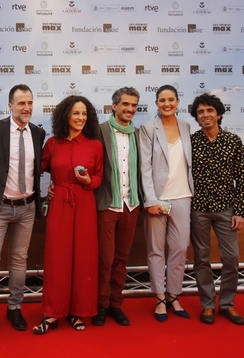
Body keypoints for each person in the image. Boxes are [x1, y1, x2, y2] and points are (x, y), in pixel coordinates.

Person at [0, 84, 46, 335]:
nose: (26, 107)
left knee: (19, 261)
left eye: (29, 102)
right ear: (10, 106)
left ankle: (14, 308)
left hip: (27, 208)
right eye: (20, 103)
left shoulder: (38, 133)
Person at [33, 95, 104, 334]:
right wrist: (47, 189)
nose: (81, 118)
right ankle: (52, 313)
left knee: (83, 258)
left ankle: (78, 312)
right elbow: (36, 171)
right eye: (76, 113)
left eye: (84, 114)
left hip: (84, 203)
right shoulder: (53, 143)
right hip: (59, 203)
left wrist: (88, 181)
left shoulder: (95, 145)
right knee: (57, 258)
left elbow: (99, 178)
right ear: (65, 115)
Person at [189, 93, 244, 325]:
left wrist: (240, 211)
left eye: (209, 111)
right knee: (201, 259)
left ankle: (227, 304)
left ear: (219, 114)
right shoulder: (191, 141)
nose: (205, 115)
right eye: (200, 112)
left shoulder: (233, 141)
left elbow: (243, 178)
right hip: (198, 209)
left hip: (226, 209)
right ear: (197, 117)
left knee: (231, 258)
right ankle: (207, 305)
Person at [139, 85, 193, 322]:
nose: (167, 104)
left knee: (180, 248)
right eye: (162, 100)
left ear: (178, 102)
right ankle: (160, 297)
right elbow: (145, 167)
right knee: (156, 250)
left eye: (171, 99)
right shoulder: (148, 128)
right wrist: (150, 200)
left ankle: (174, 294)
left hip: (182, 195)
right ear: (156, 103)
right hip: (157, 199)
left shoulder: (186, 126)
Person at [93, 87, 143, 327]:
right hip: (107, 204)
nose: (130, 109)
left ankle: (116, 304)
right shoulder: (99, 131)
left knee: (121, 259)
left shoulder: (139, 134)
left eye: (134, 105)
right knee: (105, 259)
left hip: (130, 204)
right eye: (125, 104)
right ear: (114, 106)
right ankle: (100, 305)